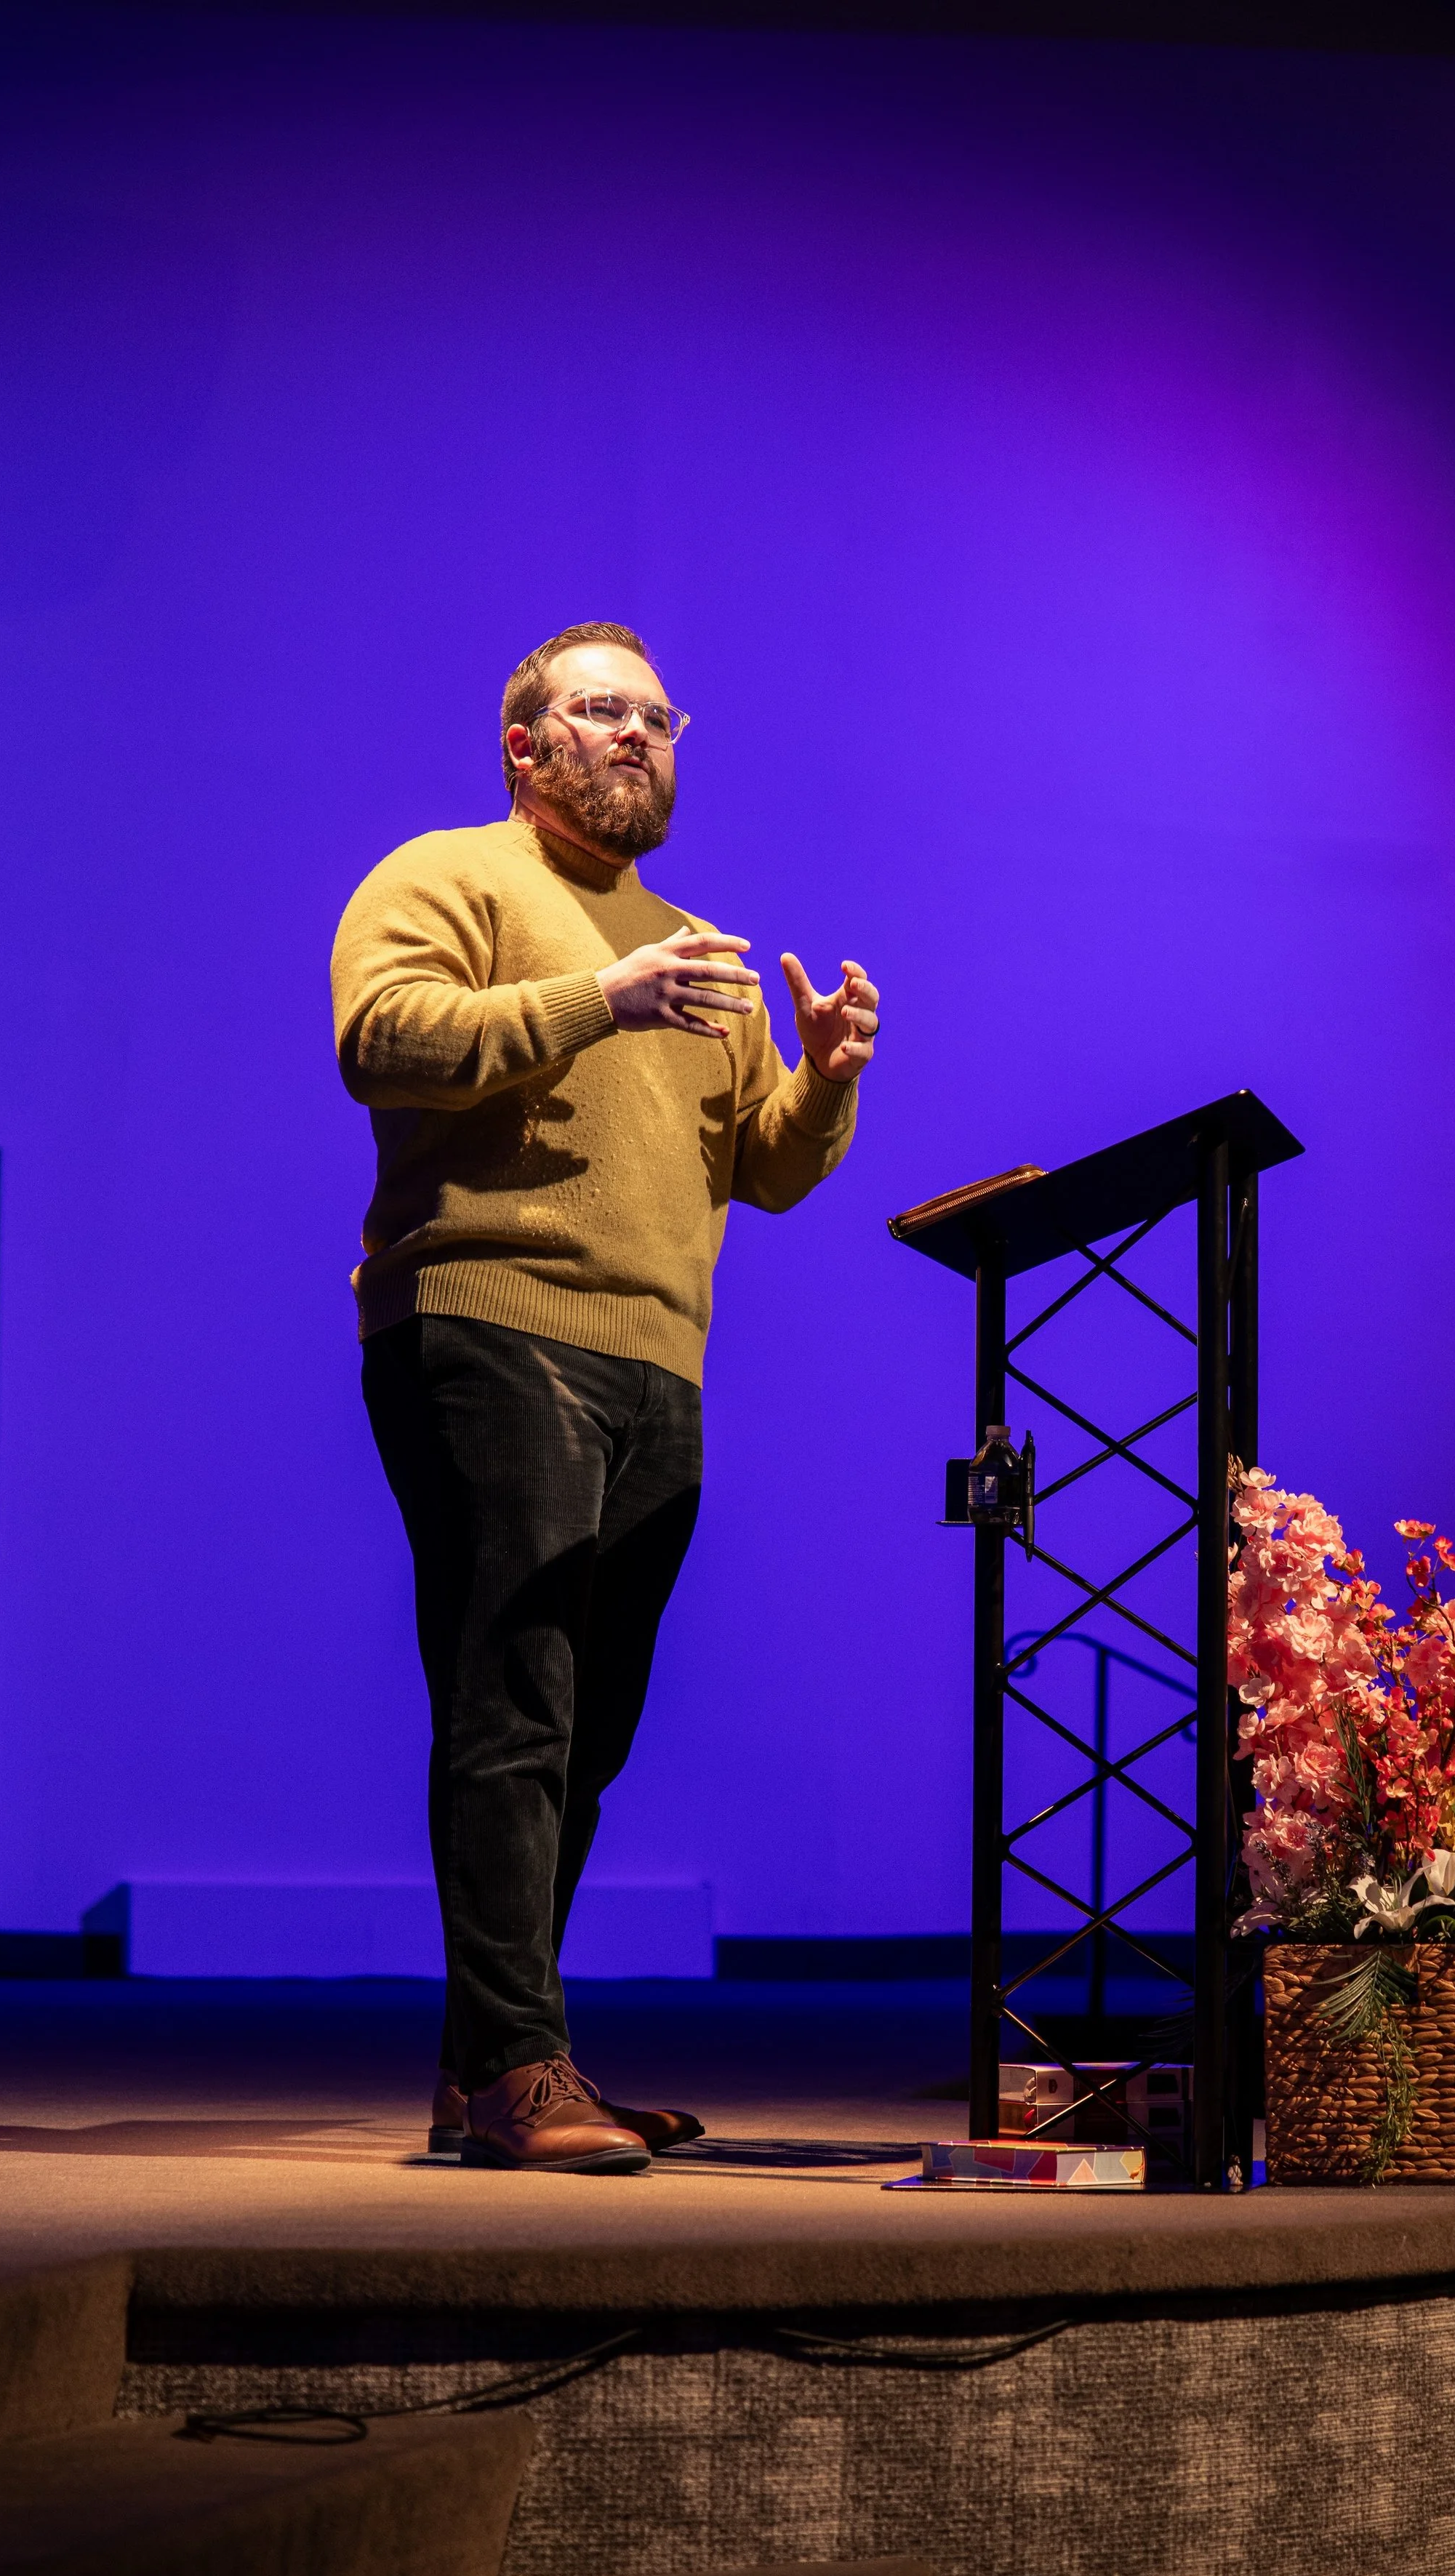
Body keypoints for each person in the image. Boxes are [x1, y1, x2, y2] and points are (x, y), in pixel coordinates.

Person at [330, 621, 879, 2173]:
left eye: (652, 716)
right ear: (524, 744)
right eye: (594, 711)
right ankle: (518, 2058)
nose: (631, 736)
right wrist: (595, 996)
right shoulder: (447, 875)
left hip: (658, 1361)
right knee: (516, 1697)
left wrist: (820, 1076)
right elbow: (384, 1041)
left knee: (593, 1726)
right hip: (489, 1326)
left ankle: (487, 2066)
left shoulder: (696, 949)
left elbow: (754, 1168)